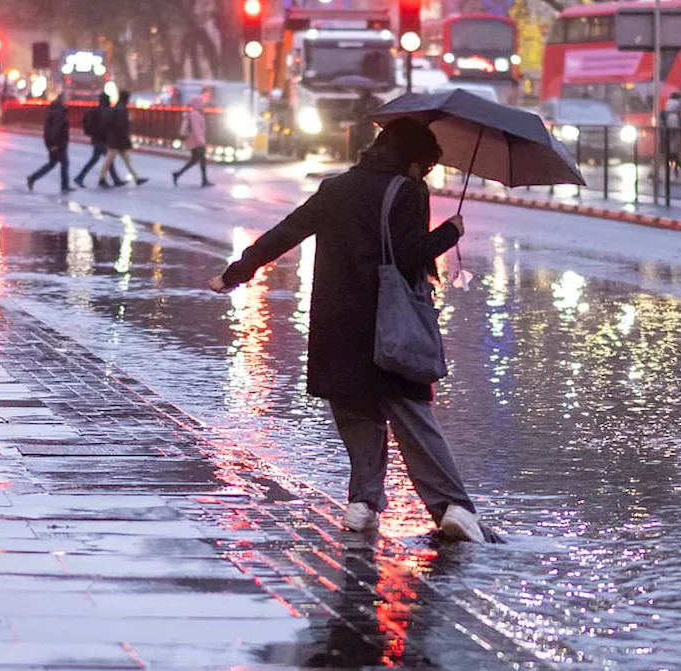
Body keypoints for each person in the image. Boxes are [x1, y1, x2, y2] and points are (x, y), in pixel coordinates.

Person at [207, 118, 485, 543]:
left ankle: (363, 504)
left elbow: (286, 233)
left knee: (357, 414)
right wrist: (451, 232)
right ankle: (452, 507)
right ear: (410, 159)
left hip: (337, 322)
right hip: (388, 322)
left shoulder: (334, 188)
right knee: (412, 417)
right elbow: (410, 256)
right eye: (425, 165)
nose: (425, 173)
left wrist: (238, 272)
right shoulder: (407, 191)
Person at [97, 90, 149, 188]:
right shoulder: (122, 109)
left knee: (122, 159)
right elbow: (122, 126)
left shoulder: (117, 107)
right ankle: (101, 178)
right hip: (118, 139)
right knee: (110, 160)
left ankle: (136, 178)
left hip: (116, 138)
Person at [75, 93, 124, 189]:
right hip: (102, 139)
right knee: (106, 160)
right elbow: (108, 126)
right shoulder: (106, 111)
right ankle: (107, 180)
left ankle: (81, 177)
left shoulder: (95, 110)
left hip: (97, 138)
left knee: (97, 160)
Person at [26, 95, 73, 194]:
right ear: (61, 101)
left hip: (57, 143)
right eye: (66, 100)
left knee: (53, 163)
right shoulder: (58, 114)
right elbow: (54, 130)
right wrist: (52, 144)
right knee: (64, 163)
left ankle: (32, 178)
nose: (67, 102)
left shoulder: (56, 111)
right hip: (58, 143)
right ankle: (64, 186)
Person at [173, 97, 212, 188]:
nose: (203, 104)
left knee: (196, 160)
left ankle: (178, 174)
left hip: (195, 140)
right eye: (201, 103)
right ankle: (204, 180)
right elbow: (196, 129)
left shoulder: (197, 113)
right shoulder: (195, 114)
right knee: (199, 160)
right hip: (195, 141)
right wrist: (201, 141)